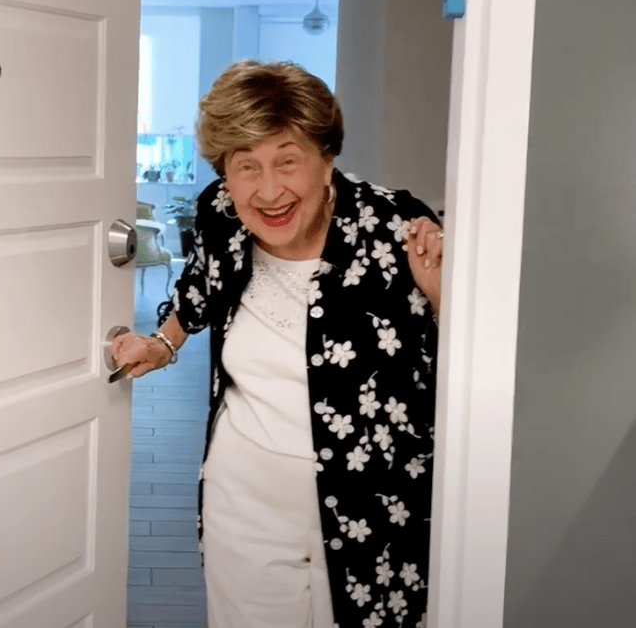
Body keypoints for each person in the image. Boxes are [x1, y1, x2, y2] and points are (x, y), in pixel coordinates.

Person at [113, 60, 443, 628]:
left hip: (375, 514)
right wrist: (163, 345)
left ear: (327, 156)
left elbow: (464, 364)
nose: (268, 192)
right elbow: (200, 288)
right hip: (243, 509)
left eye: (288, 161)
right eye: (246, 168)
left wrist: (444, 298)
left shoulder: (396, 230)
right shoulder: (222, 212)